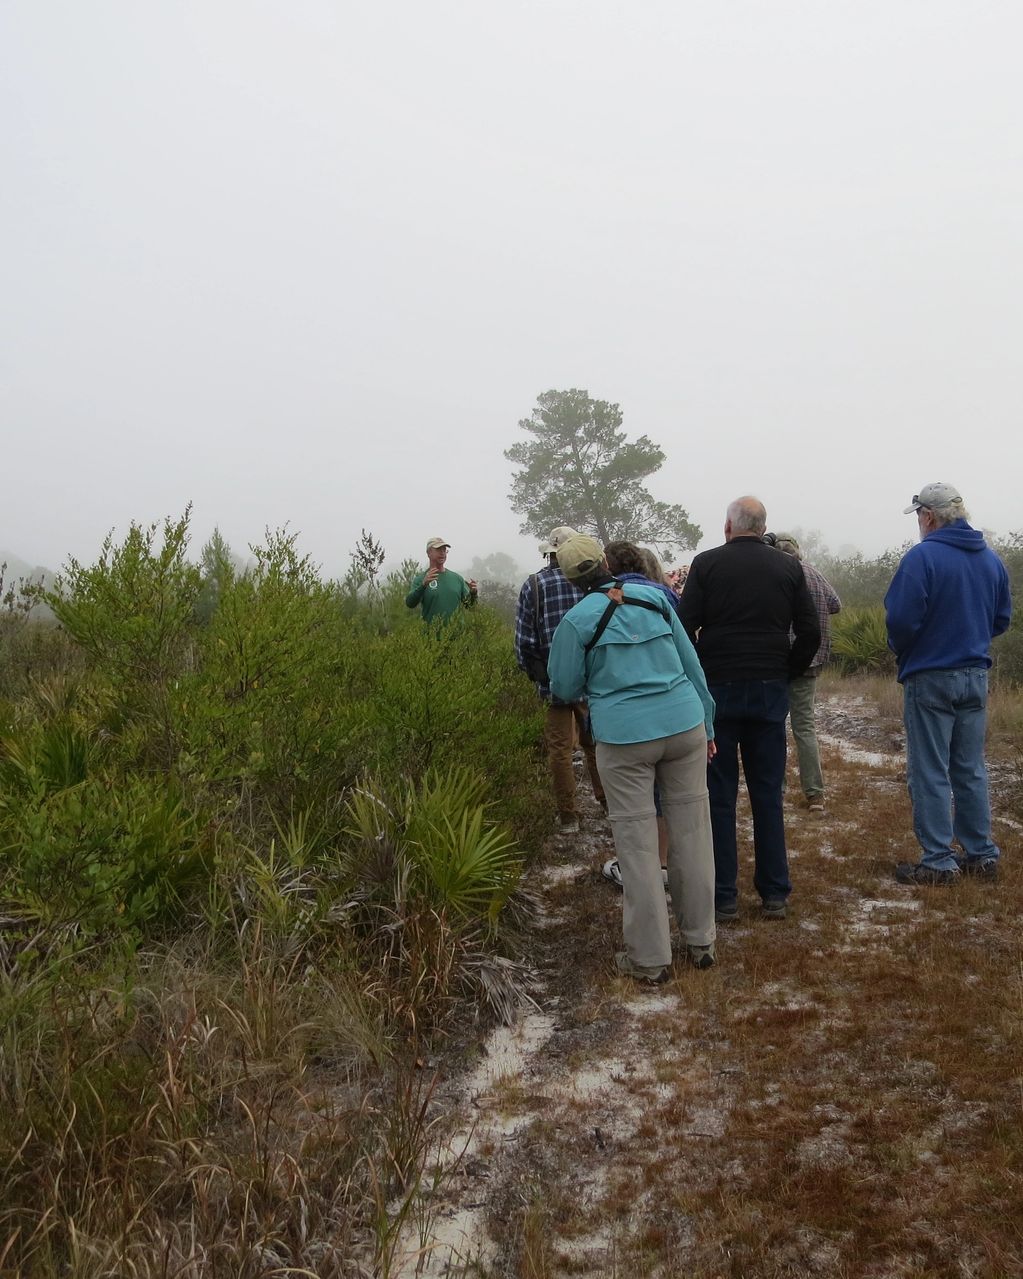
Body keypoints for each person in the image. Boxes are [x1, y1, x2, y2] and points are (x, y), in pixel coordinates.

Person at [548, 534, 718, 983]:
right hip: (684, 726)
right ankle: (701, 941)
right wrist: (709, 726)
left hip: (624, 739)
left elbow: (563, 688)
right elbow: (691, 664)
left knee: (639, 846)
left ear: (568, 577)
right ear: (603, 561)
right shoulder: (656, 598)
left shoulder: (575, 621)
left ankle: (650, 960)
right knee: (693, 832)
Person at [679, 497, 819, 922]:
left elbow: (683, 628)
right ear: (763, 527)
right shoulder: (789, 568)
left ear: (728, 526)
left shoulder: (706, 565)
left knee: (719, 797)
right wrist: (787, 670)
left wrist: (703, 667)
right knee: (767, 793)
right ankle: (774, 893)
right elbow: (810, 631)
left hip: (719, 690)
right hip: (769, 689)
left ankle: (724, 896)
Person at [885, 483, 1011, 885]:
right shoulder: (991, 560)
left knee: (929, 770)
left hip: (931, 675)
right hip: (975, 676)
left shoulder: (922, 558)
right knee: (970, 768)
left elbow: (901, 620)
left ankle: (938, 861)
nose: (919, 523)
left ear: (930, 516)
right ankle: (980, 854)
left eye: (919, 515)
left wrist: (906, 652)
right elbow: (1001, 619)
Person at [514, 525, 605, 834]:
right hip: (591, 681)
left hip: (552, 684)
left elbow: (523, 642)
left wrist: (542, 678)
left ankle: (568, 817)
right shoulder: (590, 584)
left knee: (560, 751)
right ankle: (608, 804)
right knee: (597, 745)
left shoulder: (534, 585)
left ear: (549, 553)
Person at [600, 541, 680, 887]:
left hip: (627, 720)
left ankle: (642, 867)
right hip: (676, 713)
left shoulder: (606, 599)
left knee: (638, 799)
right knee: (669, 795)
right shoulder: (668, 598)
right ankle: (668, 862)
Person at [773, 534, 842, 812]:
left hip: (781, 660)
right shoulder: (814, 573)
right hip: (812, 661)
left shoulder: (778, 574)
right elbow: (836, 604)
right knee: (805, 728)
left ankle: (776, 790)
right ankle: (815, 795)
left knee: (776, 726)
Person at [405, 538, 478, 623]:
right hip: (431, 634)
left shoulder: (457, 578)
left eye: (444, 550)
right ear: (429, 553)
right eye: (438, 549)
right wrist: (423, 586)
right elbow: (410, 604)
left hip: (458, 634)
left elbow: (471, 607)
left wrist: (473, 593)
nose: (442, 553)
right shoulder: (421, 579)